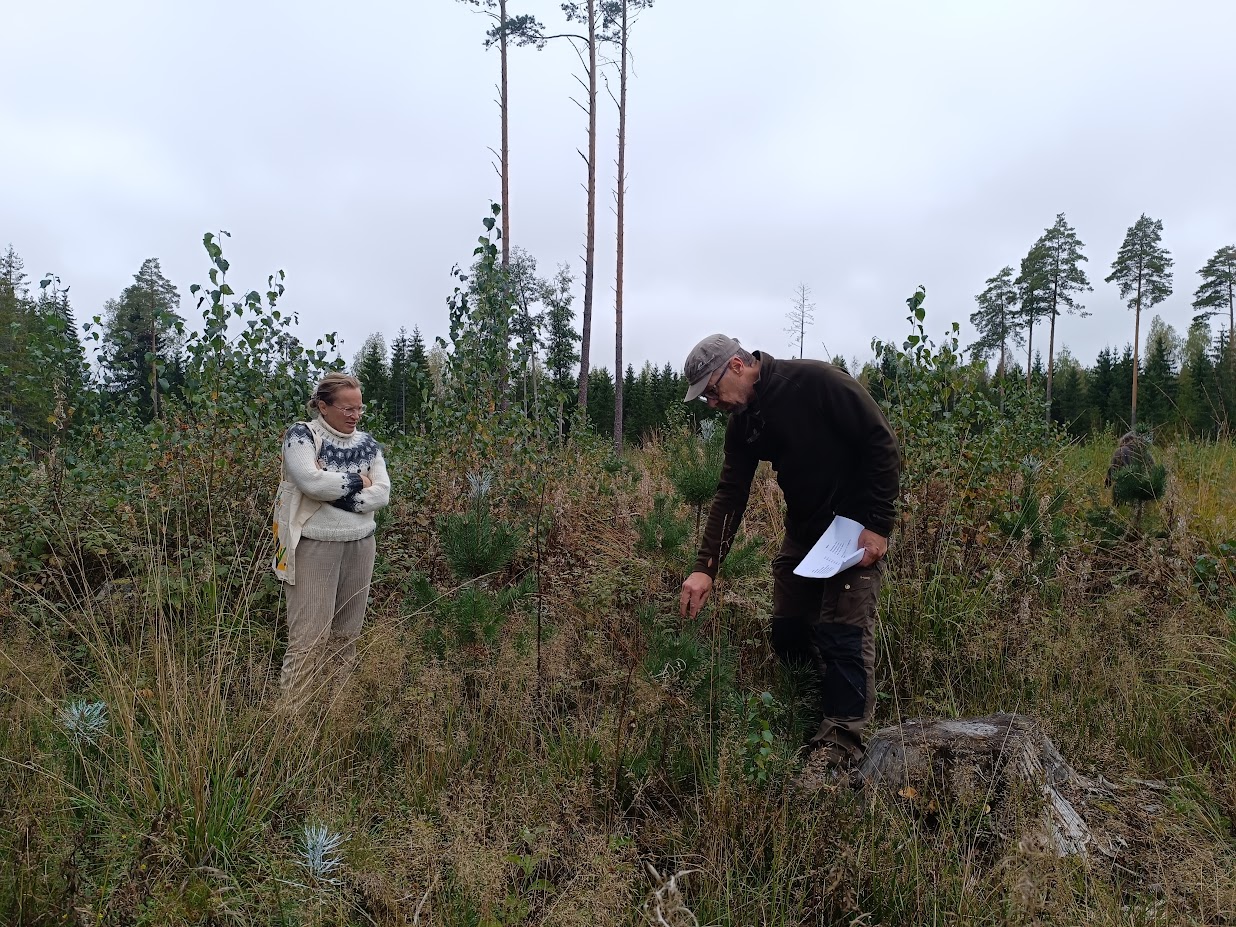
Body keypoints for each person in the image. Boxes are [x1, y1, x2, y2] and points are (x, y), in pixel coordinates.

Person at [678, 334, 900, 769]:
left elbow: (881, 442)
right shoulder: (744, 421)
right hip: (806, 533)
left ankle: (840, 745)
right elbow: (731, 492)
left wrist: (877, 525)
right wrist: (706, 567)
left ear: (737, 367)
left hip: (854, 528)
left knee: (844, 635)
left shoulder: (816, 381)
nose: (712, 404)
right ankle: (814, 708)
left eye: (711, 391)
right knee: (789, 629)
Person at [279, 372, 391, 705]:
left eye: (359, 408)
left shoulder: (368, 443)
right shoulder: (301, 436)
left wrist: (337, 492)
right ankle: (292, 724)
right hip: (315, 545)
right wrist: (359, 479)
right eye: (347, 409)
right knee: (308, 640)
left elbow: (383, 493)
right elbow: (311, 482)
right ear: (323, 406)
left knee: (346, 637)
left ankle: (335, 715)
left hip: (361, 544)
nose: (355, 416)